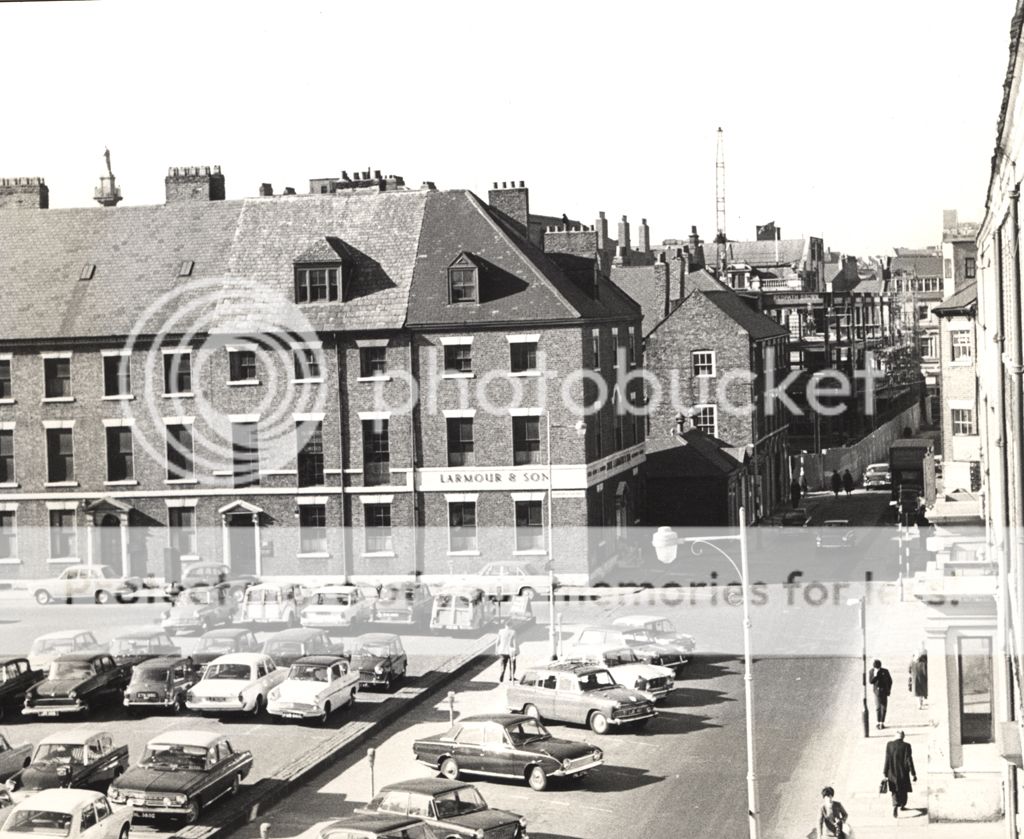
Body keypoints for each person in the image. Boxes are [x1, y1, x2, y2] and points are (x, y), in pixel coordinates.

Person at [883, 730, 917, 818]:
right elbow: (909, 760)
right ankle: (902, 805)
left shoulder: (889, 745)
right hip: (903, 773)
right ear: (903, 737)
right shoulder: (907, 746)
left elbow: (887, 758)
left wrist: (885, 772)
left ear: (895, 736)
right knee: (903, 790)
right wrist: (913, 773)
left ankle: (895, 805)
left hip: (892, 772)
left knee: (894, 790)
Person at [869, 659, 892, 729]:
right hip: (877, 692)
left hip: (884, 691)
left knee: (884, 707)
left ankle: (882, 722)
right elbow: (871, 681)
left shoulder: (885, 671)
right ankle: (878, 722)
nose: (877, 669)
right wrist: (875, 675)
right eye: (876, 668)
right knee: (878, 707)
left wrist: (888, 690)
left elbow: (890, 681)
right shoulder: (871, 671)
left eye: (878, 668)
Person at [909, 643, 928, 709]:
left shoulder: (913, 662)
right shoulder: (924, 662)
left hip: (915, 678)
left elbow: (909, 670)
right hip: (923, 677)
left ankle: (919, 704)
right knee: (922, 690)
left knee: (917, 691)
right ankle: (921, 702)